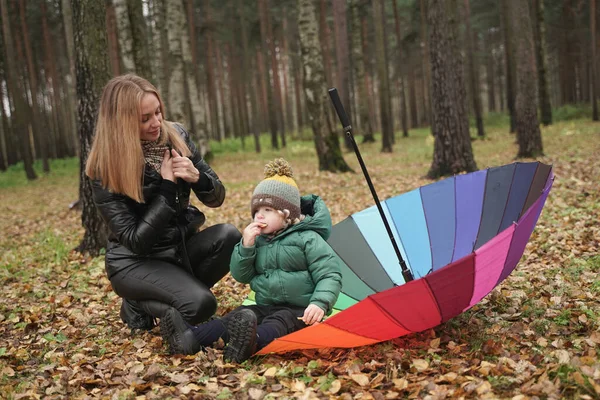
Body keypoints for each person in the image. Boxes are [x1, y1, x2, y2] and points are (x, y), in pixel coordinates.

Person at [85, 74, 241, 342]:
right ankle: (138, 301)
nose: (156, 122)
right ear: (122, 123)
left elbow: (217, 197)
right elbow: (137, 241)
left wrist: (197, 177)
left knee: (230, 236)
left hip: (176, 250)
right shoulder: (104, 168)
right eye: (145, 118)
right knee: (201, 305)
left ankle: (171, 294)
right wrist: (168, 188)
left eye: (158, 112)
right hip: (134, 262)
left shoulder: (176, 135)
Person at [160, 158, 344, 362]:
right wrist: (246, 247)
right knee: (237, 317)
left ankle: (251, 342)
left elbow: (329, 274)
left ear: (286, 215)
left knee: (278, 322)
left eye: (267, 210)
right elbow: (242, 275)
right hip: (264, 305)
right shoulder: (257, 241)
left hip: (299, 311)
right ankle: (191, 337)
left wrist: (319, 303)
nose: (259, 216)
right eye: (256, 211)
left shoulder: (308, 239)